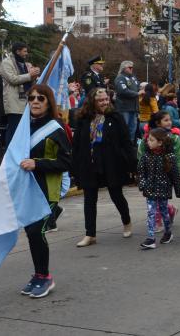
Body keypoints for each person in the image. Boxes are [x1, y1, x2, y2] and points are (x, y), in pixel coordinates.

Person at [18, 84, 72, 298]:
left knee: (35, 231)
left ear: (49, 101)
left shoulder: (56, 128)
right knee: (31, 232)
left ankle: (45, 277)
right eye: (31, 98)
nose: (35, 101)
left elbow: (66, 161)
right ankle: (38, 275)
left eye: (41, 98)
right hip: (27, 188)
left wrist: (37, 164)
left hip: (47, 189)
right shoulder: (25, 126)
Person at [72, 88, 136, 247]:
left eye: (106, 99)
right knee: (89, 199)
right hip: (90, 164)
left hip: (111, 163)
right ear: (92, 101)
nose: (104, 103)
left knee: (116, 195)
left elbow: (126, 142)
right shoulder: (83, 119)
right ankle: (90, 234)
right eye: (100, 100)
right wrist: (75, 166)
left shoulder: (115, 117)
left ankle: (126, 221)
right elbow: (77, 145)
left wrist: (132, 164)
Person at [137, 127, 180, 249]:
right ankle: (151, 238)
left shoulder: (170, 157)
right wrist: (143, 184)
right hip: (149, 189)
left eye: (151, 140)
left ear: (160, 142)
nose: (148, 142)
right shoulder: (145, 157)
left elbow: (175, 176)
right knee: (151, 212)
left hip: (164, 189)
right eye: (148, 140)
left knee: (164, 211)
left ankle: (168, 233)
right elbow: (141, 173)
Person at [1, 42, 40, 147]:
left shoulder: (25, 64)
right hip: (14, 102)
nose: (26, 53)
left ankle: (21, 152)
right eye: (25, 51)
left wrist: (34, 76)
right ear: (17, 51)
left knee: (24, 130)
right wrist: (29, 75)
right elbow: (12, 79)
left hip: (26, 101)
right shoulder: (6, 62)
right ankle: (9, 154)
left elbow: (28, 81)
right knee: (14, 129)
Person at [114, 60, 141, 140]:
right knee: (123, 128)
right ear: (124, 68)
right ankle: (122, 146)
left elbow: (138, 86)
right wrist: (137, 93)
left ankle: (130, 145)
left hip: (134, 107)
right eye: (130, 67)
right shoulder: (120, 78)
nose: (132, 69)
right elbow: (123, 91)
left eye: (132, 67)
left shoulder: (133, 77)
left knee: (133, 128)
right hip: (124, 108)